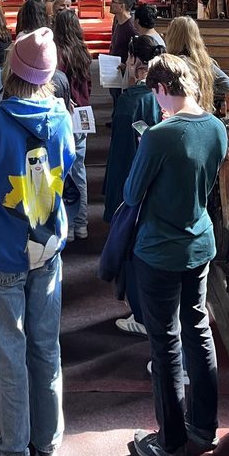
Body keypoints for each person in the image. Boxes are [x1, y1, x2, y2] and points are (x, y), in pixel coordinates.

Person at [0, 29, 76, 456]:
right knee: (45, 348)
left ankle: (12, 448)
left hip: (4, 249)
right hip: (47, 247)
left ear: (12, 70)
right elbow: (67, 166)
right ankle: (47, 440)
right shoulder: (62, 118)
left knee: (9, 352)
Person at [126, 54, 228, 456]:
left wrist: (145, 148)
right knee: (197, 330)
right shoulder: (216, 126)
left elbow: (132, 193)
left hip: (160, 250)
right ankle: (204, 426)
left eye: (156, 95)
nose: (156, 103)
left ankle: (169, 441)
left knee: (166, 343)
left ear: (162, 89)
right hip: (199, 241)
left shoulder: (159, 136)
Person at [103, 36, 166, 339]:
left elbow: (122, 155)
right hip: (159, 182)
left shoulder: (131, 101)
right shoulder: (163, 93)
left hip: (133, 182)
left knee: (131, 247)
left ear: (134, 61)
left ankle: (141, 314)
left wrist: (115, 199)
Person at [54, 9, 93, 242]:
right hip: (83, 112)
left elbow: (58, 85)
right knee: (79, 170)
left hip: (66, 113)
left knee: (63, 171)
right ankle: (82, 224)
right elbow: (88, 84)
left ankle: (67, 225)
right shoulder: (83, 51)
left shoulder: (59, 53)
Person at [164, 15, 229, 115]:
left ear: (173, 38)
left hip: (180, 115)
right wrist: (206, 88)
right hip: (203, 114)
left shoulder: (173, 63)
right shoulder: (205, 63)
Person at [108, 0, 139, 102]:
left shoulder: (131, 28)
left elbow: (137, 51)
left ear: (122, 6)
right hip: (115, 71)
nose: (110, 4)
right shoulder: (118, 22)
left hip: (124, 73)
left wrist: (127, 66)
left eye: (113, 1)